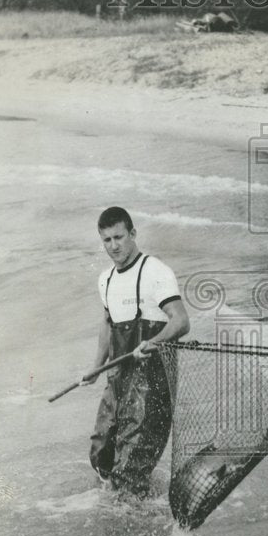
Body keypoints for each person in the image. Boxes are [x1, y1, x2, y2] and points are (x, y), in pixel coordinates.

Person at [79, 207, 190, 497]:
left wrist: (153, 342)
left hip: (152, 385)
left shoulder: (156, 272)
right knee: (101, 455)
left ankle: (130, 518)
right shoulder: (106, 279)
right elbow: (107, 323)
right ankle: (126, 507)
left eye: (119, 237)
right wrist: (96, 367)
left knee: (131, 469)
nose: (113, 246)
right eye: (106, 240)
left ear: (133, 234)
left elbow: (180, 320)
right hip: (117, 380)